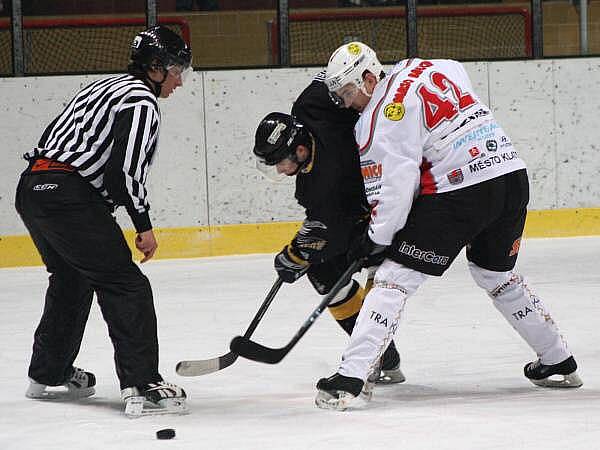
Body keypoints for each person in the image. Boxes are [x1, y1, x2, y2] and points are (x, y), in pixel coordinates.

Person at [315, 42, 582, 410]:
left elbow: (396, 190)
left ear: (368, 77)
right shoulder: (428, 65)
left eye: (348, 92)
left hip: (461, 192)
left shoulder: (377, 121)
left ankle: (351, 376)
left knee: (394, 277)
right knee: (495, 274)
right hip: (509, 175)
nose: (347, 103)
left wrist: (374, 240)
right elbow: (457, 74)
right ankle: (557, 359)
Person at [15, 25, 192, 416]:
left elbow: (55, 138)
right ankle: (142, 384)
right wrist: (143, 225)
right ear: (156, 67)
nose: (180, 80)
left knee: (71, 278)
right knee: (126, 285)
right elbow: (123, 173)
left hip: (32, 189)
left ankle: (48, 373)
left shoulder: (102, 86)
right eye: (177, 70)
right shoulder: (142, 102)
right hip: (70, 197)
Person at [252, 71, 405, 385]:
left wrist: (294, 255)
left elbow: (323, 231)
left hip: (391, 204)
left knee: (380, 278)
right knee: (322, 271)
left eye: (280, 162)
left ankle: (372, 352)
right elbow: (331, 76)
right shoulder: (310, 107)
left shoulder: (324, 185)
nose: (280, 171)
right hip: (353, 210)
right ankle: (385, 353)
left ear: (301, 150)